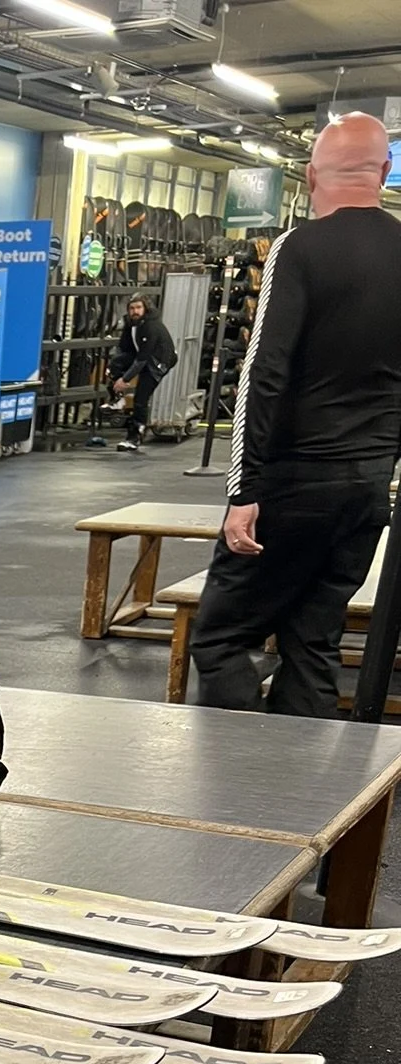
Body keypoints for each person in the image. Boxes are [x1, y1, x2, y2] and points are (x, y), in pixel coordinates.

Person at [192, 112, 401, 716]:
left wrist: (245, 489)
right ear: (385, 172)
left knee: (223, 637)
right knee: (313, 642)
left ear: (310, 176)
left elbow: (264, 372)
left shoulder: (299, 247)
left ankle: (234, 793)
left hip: (292, 485)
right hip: (365, 489)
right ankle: (298, 807)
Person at [108, 293, 178, 451]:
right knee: (116, 362)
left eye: (139, 307)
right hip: (141, 356)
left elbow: (143, 358)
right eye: (132, 308)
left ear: (145, 309)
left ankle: (135, 437)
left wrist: (125, 379)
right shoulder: (130, 323)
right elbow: (124, 348)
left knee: (141, 398)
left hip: (157, 362)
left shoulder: (151, 326)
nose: (135, 311)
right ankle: (118, 398)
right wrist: (116, 374)